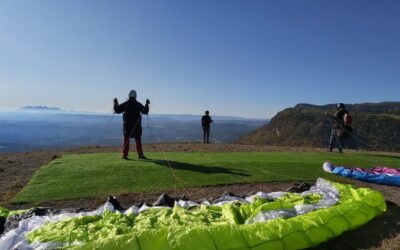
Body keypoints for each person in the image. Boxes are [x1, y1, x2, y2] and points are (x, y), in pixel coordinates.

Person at [114, 90, 150, 159]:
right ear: (135, 96)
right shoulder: (137, 104)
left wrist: (115, 103)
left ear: (129, 95)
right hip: (136, 127)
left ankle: (125, 155)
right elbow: (145, 111)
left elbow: (117, 110)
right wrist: (147, 104)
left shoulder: (126, 104)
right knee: (138, 141)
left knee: (126, 141)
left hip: (127, 127)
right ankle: (140, 155)